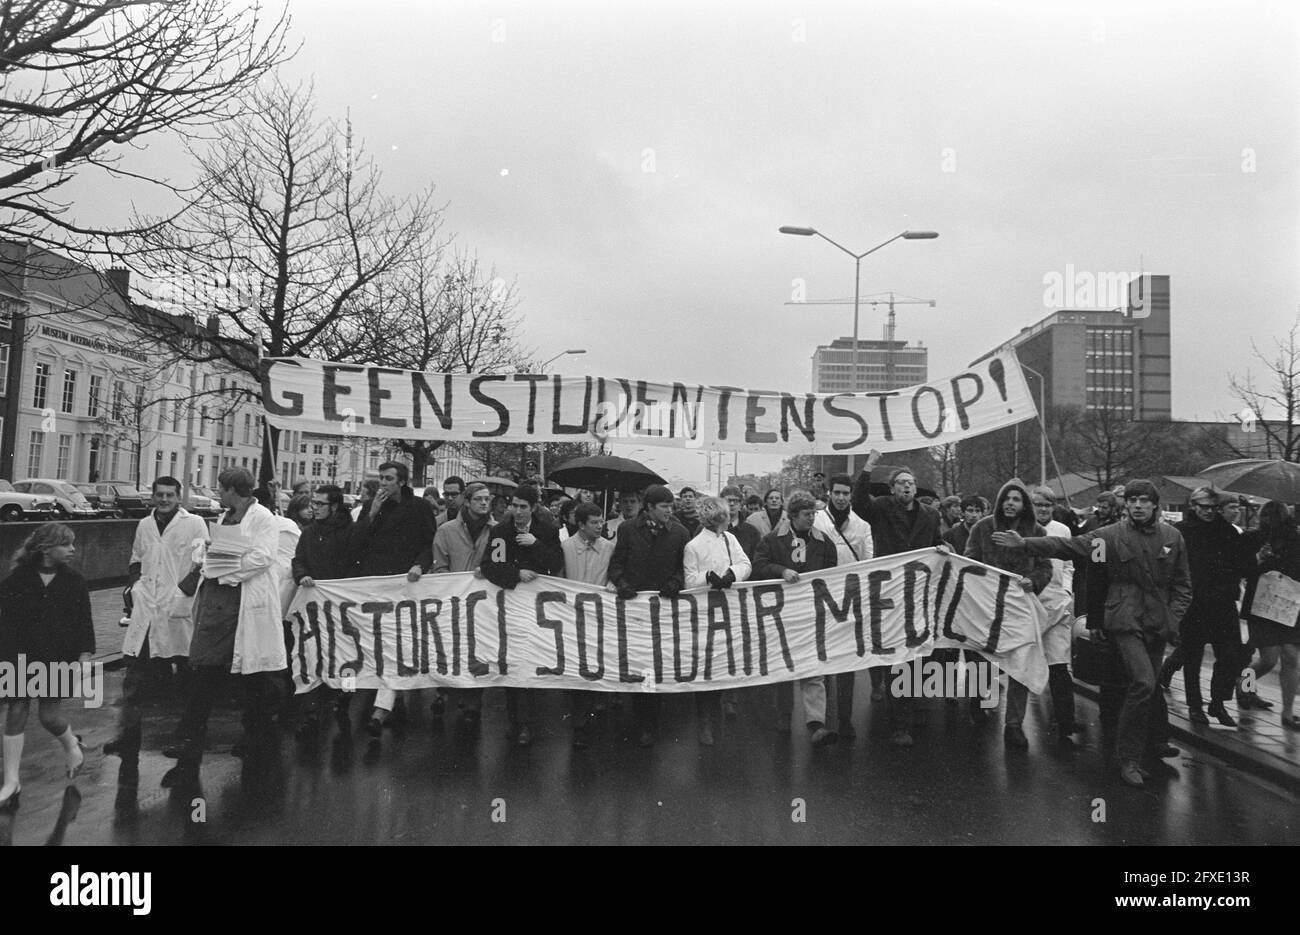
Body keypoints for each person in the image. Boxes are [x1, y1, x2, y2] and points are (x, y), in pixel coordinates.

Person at [992, 480, 1191, 788]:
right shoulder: (1110, 536)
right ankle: (1128, 759)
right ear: (1127, 506)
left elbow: (1182, 586)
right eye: (1133, 500)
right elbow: (1069, 546)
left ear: (1155, 505)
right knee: (1144, 682)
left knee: (1147, 691)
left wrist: (1173, 621)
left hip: (1157, 625)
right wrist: (1026, 544)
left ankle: (1128, 750)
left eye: (1144, 501)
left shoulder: (1172, 537)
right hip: (1124, 621)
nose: (1138, 505)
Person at [161, 467, 288, 789]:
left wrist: (226, 569)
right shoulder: (224, 517)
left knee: (251, 677)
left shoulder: (263, 519)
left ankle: (257, 735)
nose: (219, 494)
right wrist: (208, 553)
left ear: (234, 489)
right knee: (205, 668)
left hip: (245, 601)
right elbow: (221, 548)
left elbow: (262, 557)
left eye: (221, 488)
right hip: (217, 602)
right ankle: (189, 738)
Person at [104, 477, 209, 781]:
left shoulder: (195, 524)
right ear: (152, 496)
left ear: (179, 497)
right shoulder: (144, 525)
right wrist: (134, 587)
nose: (164, 500)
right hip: (147, 608)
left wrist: (183, 593)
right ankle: (129, 736)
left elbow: (202, 561)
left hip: (177, 608)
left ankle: (188, 737)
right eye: (159, 495)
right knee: (134, 675)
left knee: (186, 675)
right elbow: (136, 559)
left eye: (170, 495)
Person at [851, 451, 946, 746]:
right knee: (897, 656)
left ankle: (917, 704)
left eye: (911, 483)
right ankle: (899, 723)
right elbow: (858, 503)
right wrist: (868, 468)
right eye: (901, 483)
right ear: (892, 489)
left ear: (916, 489)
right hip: (890, 593)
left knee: (920, 652)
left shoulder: (930, 514)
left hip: (919, 593)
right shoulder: (880, 508)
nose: (907, 487)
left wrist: (942, 546)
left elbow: (935, 542)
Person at [0, 524, 93, 810]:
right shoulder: (17, 580)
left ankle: (71, 746)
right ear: (46, 548)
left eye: (73, 544)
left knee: (49, 717)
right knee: (16, 709)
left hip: (58, 656)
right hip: (19, 655)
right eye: (66, 545)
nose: (72, 550)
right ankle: (11, 781)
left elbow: (83, 622)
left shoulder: (75, 581)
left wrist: (85, 657)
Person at [963, 478, 1052, 750]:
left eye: (1016, 499)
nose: (1010, 503)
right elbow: (968, 560)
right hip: (986, 606)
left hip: (1018, 608)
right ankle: (978, 699)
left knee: (1020, 663)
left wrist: (1033, 581)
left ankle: (1014, 724)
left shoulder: (1036, 532)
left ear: (1025, 504)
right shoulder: (982, 528)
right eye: (1006, 499)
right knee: (982, 658)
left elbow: (1045, 567)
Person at [351, 461, 436, 735]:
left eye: (388, 479)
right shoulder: (373, 507)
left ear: (401, 482)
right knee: (380, 643)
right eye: (381, 478)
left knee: (396, 644)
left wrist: (419, 565)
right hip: (377, 583)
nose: (383, 483)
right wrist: (372, 512)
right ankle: (387, 700)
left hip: (405, 584)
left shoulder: (420, 508)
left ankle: (382, 709)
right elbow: (357, 542)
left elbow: (428, 544)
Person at [1156, 487, 1250, 726]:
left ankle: (1218, 702)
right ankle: (1195, 706)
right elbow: (1165, 564)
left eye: (1212, 507)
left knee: (1230, 656)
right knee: (1192, 657)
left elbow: (1242, 565)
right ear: (1193, 506)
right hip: (1193, 603)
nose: (1208, 512)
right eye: (1203, 507)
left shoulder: (1228, 532)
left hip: (1223, 602)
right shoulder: (1180, 532)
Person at [754, 491, 839, 746]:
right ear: (792, 516)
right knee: (785, 665)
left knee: (813, 667)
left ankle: (816, 724)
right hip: (783, 614)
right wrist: (781, 571)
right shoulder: (771, 541)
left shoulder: (824, 542)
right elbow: (758, 567)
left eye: (813, 513)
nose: (811, 518)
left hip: (813, 613)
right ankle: (784, 715)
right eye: (806, 514)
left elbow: (834, 574)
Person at [481, 484, 563, 745]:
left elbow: (555, 564)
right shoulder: (501, 532)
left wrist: (535, 544)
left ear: (533, 508)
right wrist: (516, 574)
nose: (516, 511)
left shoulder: (547, 531)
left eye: (522, 507)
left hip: (537, 609)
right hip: (510, 604)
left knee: (530, 662)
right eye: (513, 506)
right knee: (512, 662)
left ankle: (527, 723)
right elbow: (491, 565)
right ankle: (515, 721)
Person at [608, 484, 689, 747]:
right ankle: (639, 716)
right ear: (650, 508)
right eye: (664, 507)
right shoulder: (628, 529)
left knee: (656, 664)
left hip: (664, 610)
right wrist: (622, 583)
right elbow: (616, 564)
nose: (669, 511)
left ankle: (650, 724)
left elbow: (682, 569)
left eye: (671, 506)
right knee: (637, 661)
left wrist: (675, 583)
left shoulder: (680, 532)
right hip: (635, 608)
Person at [683, 496, 753, 746]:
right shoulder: (693, 545)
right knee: (705, 667)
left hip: (728, 608)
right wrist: (708, 577)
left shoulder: (729, 539)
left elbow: (745, 563)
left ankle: (717, 709)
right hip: (704, 611)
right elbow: (690, 580)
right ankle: (704, 721)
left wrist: (732, 574)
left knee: (723, 663)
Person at [290, 484, 358, 740]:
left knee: (348, 658)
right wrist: (302, 575)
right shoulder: (308, 534)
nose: (313, 508)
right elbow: (298, 560)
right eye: (313, 503)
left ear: (335, 506)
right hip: (314, 605)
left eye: (319, 504)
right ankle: (312, 712)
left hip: (343, 608)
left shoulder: (350, 533)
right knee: (311, 655)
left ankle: (345, 701)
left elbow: (356, 564)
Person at [430, 482, 496, 729]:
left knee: (478, 652)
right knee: (449, 648)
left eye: (487, 499)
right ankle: (443, 691)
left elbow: (500, 564)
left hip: (482, 605)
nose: (484, 503)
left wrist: (487, 570)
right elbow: (439, 564)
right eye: (478, 499)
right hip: (453, 601)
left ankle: (472, 703)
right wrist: (451, 583)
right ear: (467, 501)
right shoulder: (446, 530)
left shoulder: (497, 531)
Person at [813, 473, 873, 739]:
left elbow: (869, 562)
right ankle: (825, 720)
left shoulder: (862, 526)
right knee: (823, 661)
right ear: (829, 493)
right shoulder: (816, 521)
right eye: (836, 493)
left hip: (850, 599)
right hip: (820, 598)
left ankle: (845, 719)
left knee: (847, 663)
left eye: (845, 494)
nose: (840, 498)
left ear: (851, 496)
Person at [1029, 486, 1082, 745]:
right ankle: (1012, 722)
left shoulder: (1063, 530)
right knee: (1021, 663)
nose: (1043, 509)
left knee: (1060, 666)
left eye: (1047, 505)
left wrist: (1068, 591)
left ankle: (1066, 723)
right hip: (1030, 606)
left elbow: (1069, 564)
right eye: (1038, 504)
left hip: (1059, 604)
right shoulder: (1022, 530)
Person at [1239, 501, 1300, 729]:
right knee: (1268, 660)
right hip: (1262, 605)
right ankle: (1244, 685)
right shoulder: (1253, 538)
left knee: (1291, 657)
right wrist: (1260, 559)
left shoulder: (1295, 539)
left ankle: (1288, 712)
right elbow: (1242, 570)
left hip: (1289, 604)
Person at [562, 501, 615, 747]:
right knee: (577, 672)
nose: (599, 526)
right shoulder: (565, 548)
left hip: (599, 618)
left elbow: (615, 573)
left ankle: (594, 708)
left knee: (597, 666)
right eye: (593, 522)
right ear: (580, 524)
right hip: (572, 619)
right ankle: (579, 724)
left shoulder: (609, 548)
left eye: (600, 521)